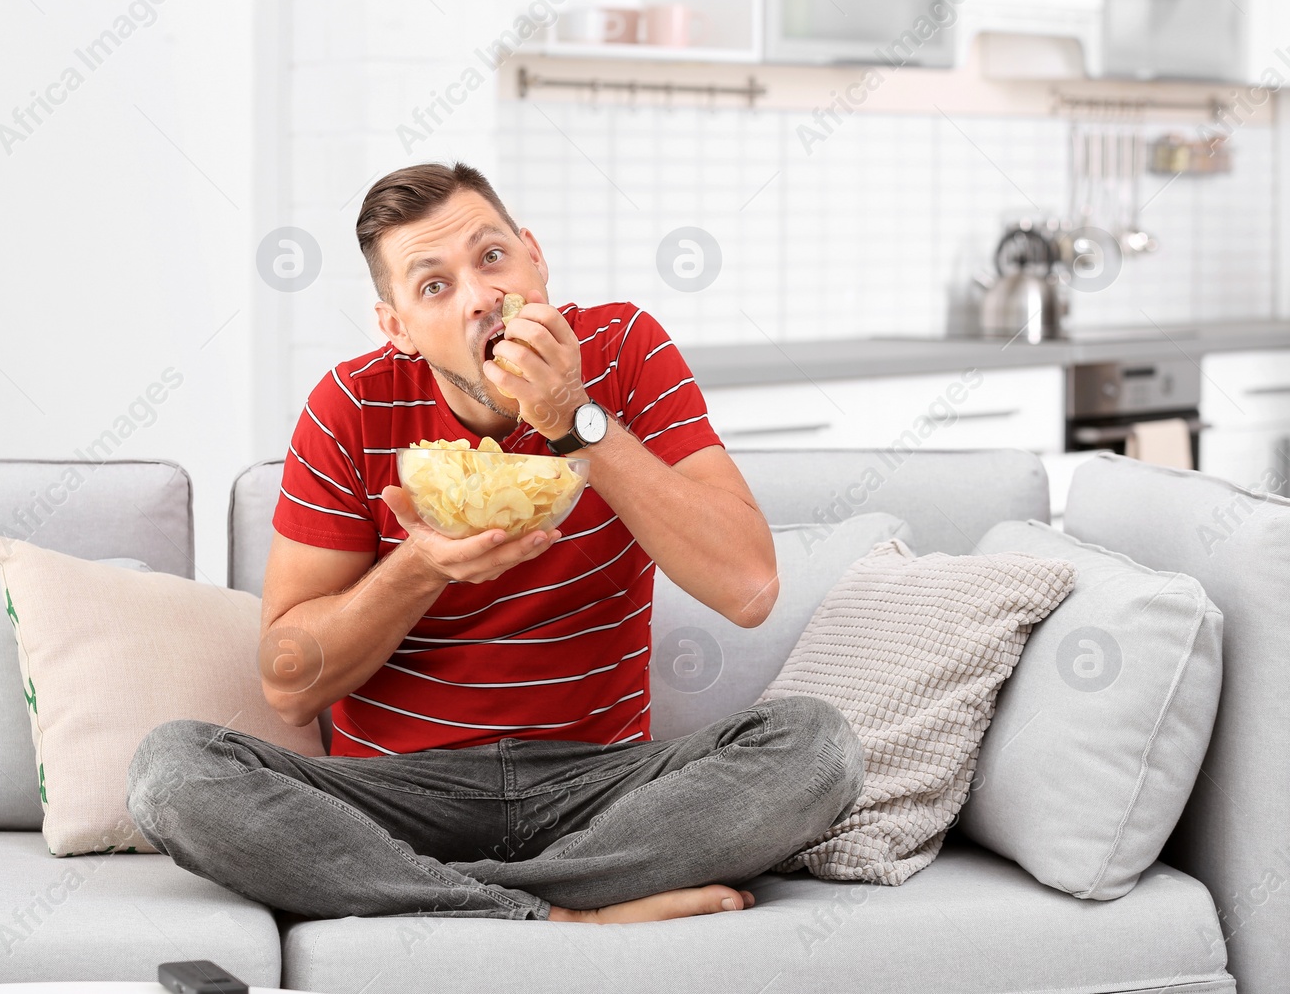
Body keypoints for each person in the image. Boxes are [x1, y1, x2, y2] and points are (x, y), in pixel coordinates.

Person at [127, 162, 863, 924]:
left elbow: (749, 587)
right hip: (399, 795)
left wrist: (575, 415)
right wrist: (417, 567)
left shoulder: (624, 351)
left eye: (491, 257)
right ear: (397, 328)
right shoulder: (351, 406)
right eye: (434, 285)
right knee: (172, 770)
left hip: (600, 787)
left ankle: (441, 896)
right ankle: (560, 910)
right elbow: (290, 684)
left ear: (535, 259)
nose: (481, 295)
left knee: (818, 745)